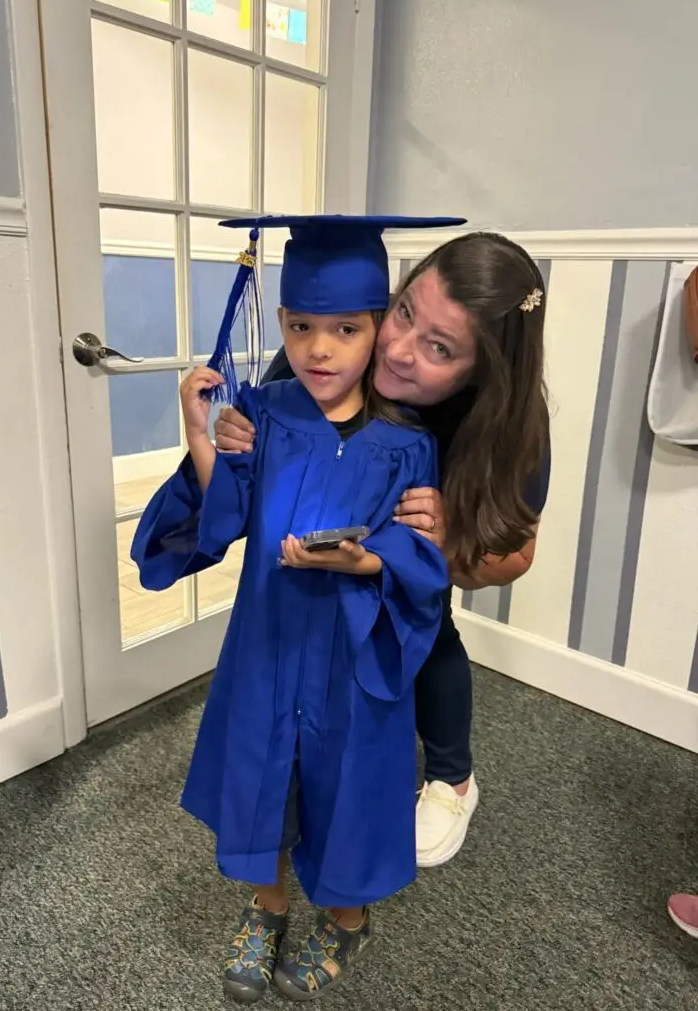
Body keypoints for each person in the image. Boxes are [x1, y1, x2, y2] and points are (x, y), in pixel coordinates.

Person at [131, 214, 464, 1003]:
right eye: (303, 326)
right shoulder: (267, 414)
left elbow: (418, 556)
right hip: (270, 641)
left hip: (352, 655)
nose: (321, 348)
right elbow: (226, 513)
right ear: (280, 323)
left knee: (347, 787)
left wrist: (364, 558)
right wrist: (201, 433)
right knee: (263, 785)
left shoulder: (407, 441)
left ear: (378, 329)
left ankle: (346, 918)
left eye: (346, 328)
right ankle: (267, 907)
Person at [215, 230, 552, 869]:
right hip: (325, 565)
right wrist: (237, 439)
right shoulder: (330, 352)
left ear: (483, 370)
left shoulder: (509, 431)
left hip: (425, 548)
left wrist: (448, 537)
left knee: (430, 626)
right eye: (403, 312)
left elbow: (513, 559)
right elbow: (271, 450)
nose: (395, 351)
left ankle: (452, 776)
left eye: (439, 347)